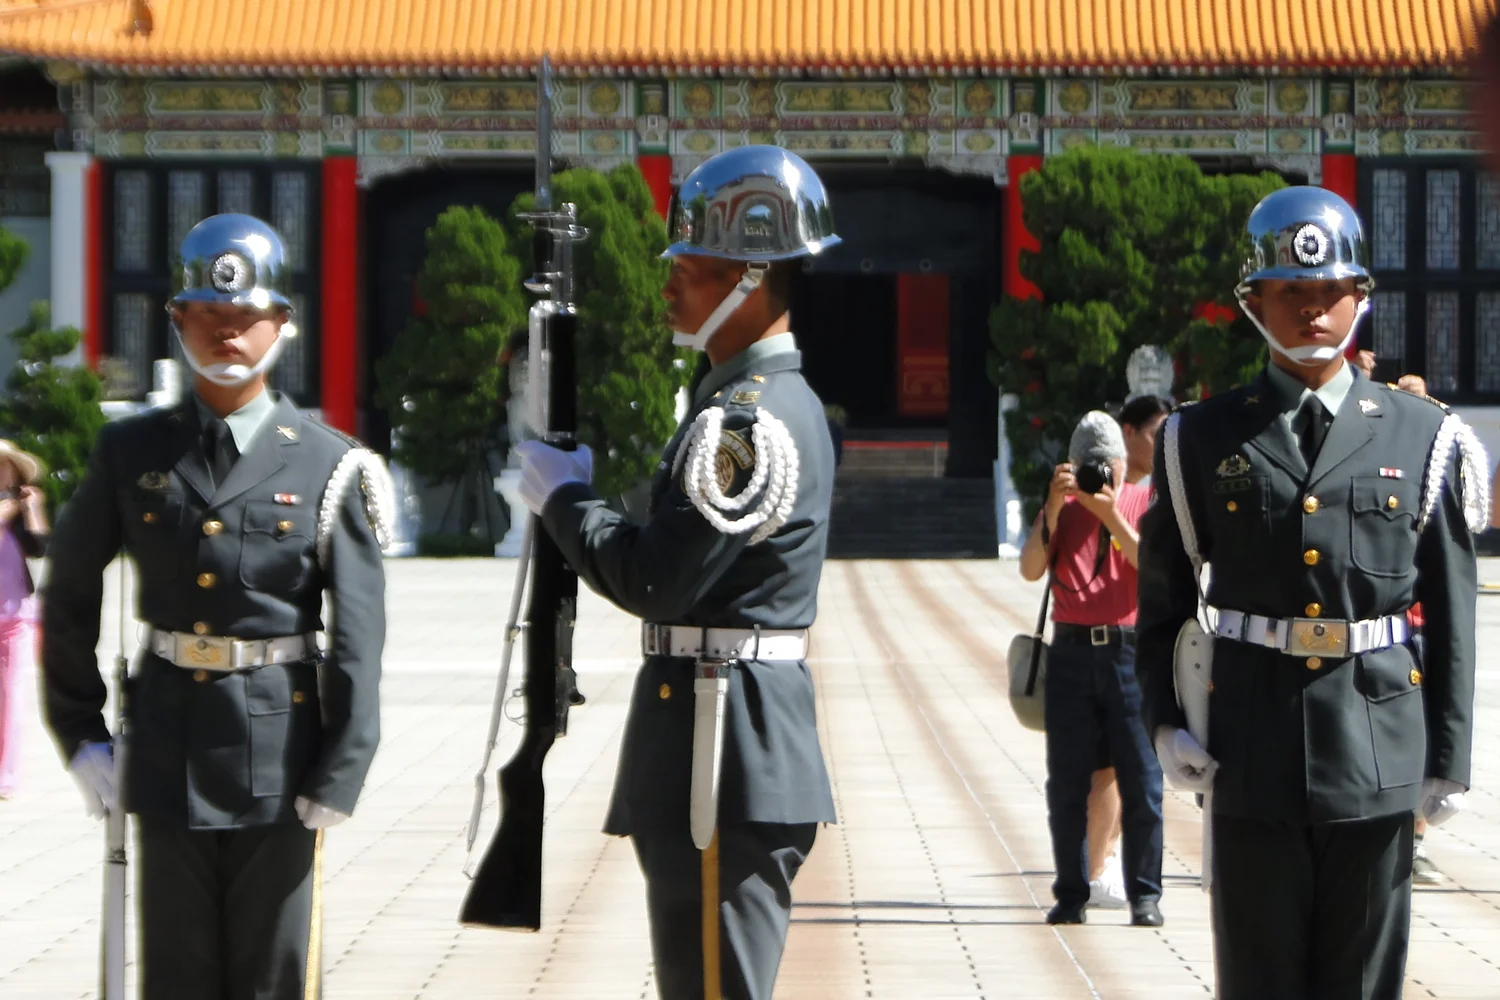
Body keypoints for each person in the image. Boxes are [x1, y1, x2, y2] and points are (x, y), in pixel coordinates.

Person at [1138, 186, 1482, 1000]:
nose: (1312, 311)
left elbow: (1455, 615)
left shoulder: (1422, 434)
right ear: (1251, 301)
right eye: (1291, 293)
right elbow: (1164, 601)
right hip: (1252, 749)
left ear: (1359, 298)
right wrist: (1163, 721)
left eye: (1330, 292)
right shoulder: (1200, 437)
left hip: (1379, 750)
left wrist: (1447, 760)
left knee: (1362, 984)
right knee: (1259, 982)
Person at [513, 146, 838, 1000]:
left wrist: (567, 504)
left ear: (750, 278)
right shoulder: (740, 406)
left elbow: (658, 578)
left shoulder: (745, 423)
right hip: (716, 739)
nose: (669, 288)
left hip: (720, 747)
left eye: (688, 271)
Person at [41, 214, 391, 999]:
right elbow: (67, 592)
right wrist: (79, 733)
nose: (228, 333)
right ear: (177, 321)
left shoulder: (332, 463)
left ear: (283, 326)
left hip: (282, 759)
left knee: (273, 977)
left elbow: (360, 634)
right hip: (166, 750)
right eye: (209, 316)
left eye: (245, 319)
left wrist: (344, 763)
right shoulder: (130, 452)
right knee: (176, 977)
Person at [1018, 411, 1165, 928]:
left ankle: (1145, 895)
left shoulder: (1144, 502)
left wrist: (1110, 515)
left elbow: (1154, 569)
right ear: (1073, 465)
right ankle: (1071, 892)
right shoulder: (1061, 507)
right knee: (1066, 782)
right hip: (1071, 652)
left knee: (1142, 779)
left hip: (1128, 652)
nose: (1103, 475)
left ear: (1124, 465)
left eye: (1109, 465)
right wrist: (1056, 507)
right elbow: (1031, 568)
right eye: (1090, 465)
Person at [1083, 393, 1172, 908]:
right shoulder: (1097, 490)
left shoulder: (1164, 494)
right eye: (1155, 432)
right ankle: (1098, 862)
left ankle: (1108, 860)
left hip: (1145, 640)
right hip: (1093, 641)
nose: (1162, 444)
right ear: (1128, 432)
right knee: (1104, 764)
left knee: (1130, 765)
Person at [0, 440, 48, 799]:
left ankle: (7, 775)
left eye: (6, 465)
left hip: (15, 617)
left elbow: (41, 547)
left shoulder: (20, 511)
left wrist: (32, 510)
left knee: (10, 698)